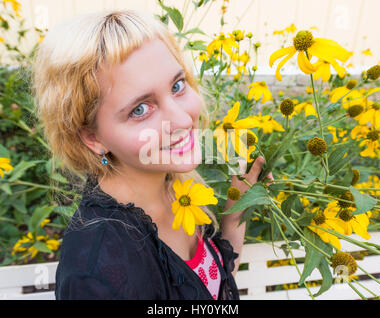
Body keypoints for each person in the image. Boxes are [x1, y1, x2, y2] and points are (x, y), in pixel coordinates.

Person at [32, 9, 272, 300]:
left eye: (177, 86)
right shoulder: (100, 273)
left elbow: (210, 291)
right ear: (93, 137)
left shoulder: (177, 185)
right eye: (140, 109)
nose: (183, 120)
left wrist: (235, 214)